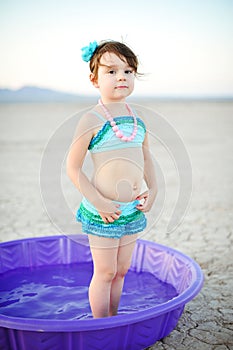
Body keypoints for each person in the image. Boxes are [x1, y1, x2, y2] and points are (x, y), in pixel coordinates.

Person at [66, 40, 157, 318]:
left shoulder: (137, 118)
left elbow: (146, 157)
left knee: (121, 271)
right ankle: (99, 324)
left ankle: (113, 319)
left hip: (130, 211)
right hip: (103, 212)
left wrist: (153, 189)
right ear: (94, 80)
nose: (122, 77)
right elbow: (73, 167)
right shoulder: (91, 120)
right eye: (111, 71)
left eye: (128, 71)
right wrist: (99, 201)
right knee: (105, 271)